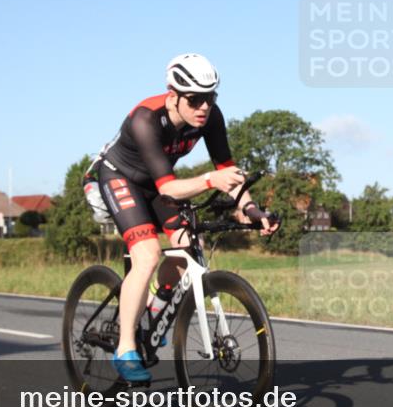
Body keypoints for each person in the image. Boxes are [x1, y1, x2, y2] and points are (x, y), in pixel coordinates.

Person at [89, 53, 279, 381]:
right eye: (194, 99)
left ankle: (154, 308)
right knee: (147, 255)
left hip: (159, 185)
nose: (204, 107)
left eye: (210, 98)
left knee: (190, 245)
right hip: (121, 178)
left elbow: (227, 170)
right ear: (173, 95)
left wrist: (250, 209)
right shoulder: (146, 119)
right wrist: (209, 180)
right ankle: (126, 347)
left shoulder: (210, 117)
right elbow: (173, 187)